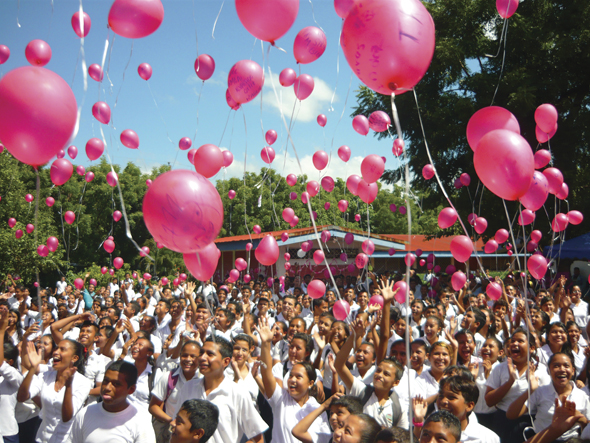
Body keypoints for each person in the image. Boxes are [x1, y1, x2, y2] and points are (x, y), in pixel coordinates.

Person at [175, 336, 267, 443]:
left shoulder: (237, 393)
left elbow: (257, 438)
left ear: (226, 362)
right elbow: (177, 425)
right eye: (201, 353)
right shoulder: (188, 387)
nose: (202, 358)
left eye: (210, 354)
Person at [257, 316, 330, 443]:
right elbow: (266, 372)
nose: (292, 380)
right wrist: (266, 344)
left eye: (298, 377)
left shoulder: (317, 409)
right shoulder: (281, 399)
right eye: (290, 376)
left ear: (310, 383)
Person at [17, 339, 92, 443]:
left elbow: (67, 417)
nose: (56, 352)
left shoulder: (83, 382)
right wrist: (33, 368)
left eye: (62, 349)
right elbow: (21, 397)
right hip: (41, 439)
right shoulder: (46, 376)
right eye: (56, 348)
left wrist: (68, 385)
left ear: (74, 358)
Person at [506, 352, 590, 442]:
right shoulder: (540, 392)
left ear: (573, 371)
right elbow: (511, 414)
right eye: (556, 366)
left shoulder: (583, 396)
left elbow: (587, 428)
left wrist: (581, 419)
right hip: (542, 439)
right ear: (548, 371)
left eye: (566, 366)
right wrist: (530, 390)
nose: (562, 369)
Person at [66, 360, 156, 443]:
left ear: (131, 389)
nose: (107, 388)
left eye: (116, 384)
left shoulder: (141, 422)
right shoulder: (85, 413)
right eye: (105, 381)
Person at [149, 340, 201, 443]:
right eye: (184, 355)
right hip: (170, 433)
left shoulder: (204, 380)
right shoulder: (168, 377)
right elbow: (153, 406)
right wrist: (171, 420)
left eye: (193, 356)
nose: (188, 359)